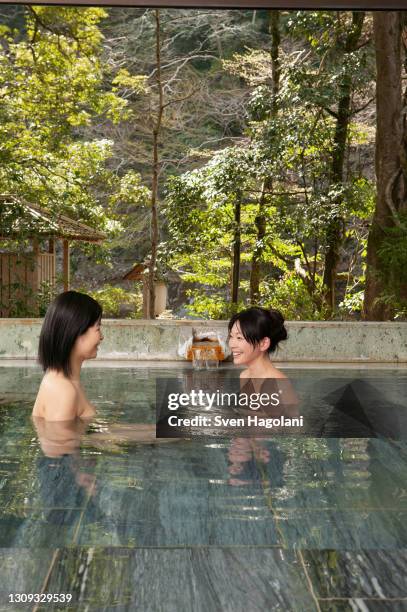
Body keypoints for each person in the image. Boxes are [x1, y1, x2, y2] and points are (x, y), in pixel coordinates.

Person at [32, 291, 103, 421]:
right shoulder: (63, 391)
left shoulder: (62, 380)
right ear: (76, 332)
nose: (102, 337)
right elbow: (58, 441)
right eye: (98, 328)